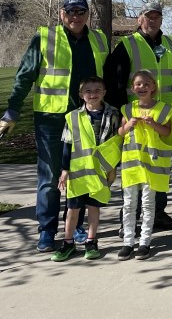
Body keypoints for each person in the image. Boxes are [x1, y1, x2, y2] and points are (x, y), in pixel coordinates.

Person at [0, 0, 110, 252]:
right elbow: (25, 75)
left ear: (87, 15)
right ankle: (47, 231)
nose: (75, 16)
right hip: (51, 118)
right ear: (61, 14)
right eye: (70, 12)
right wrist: (12, 110)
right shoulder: (45, 38)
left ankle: (75, 226)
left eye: (80, 11)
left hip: (85, 118)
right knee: (50, 178)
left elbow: (108, 77)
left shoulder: (99, 40)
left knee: (80, 174)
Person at [104, 2, 172, 232]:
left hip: (164, 118)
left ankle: (157, 213)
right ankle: (128, 219)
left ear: (161, 20)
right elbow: (115, 83)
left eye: (156, 17)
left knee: (160, 167)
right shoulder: (128, 45)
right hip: (136, 120)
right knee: (134, 169)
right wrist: (124, 114)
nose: (152, 21)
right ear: (140, 19)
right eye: (148, 17)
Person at [51, 76, 121, 262]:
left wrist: (112, 168)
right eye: (88, 91)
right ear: (81, 95)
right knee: (72, 210)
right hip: (78, 172)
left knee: (94, 208)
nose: (93, 94)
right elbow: (66, 145)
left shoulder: (113, 113)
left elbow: (115, 143)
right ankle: (68, 242)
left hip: (100, 171)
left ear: (104, 92)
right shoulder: (72, 117)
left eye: (97, 90)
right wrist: (64, 170)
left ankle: (91, 241)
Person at [117, 70, 172, 260]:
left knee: (148, 204)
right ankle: (128, 242)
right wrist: (127, 126)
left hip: (152, 165)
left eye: (146, 84)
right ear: (133, 88)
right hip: (131, 166)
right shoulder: (128, 109)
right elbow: (120, 132)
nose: (142, 87)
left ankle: (145, 242)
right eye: (138, 84)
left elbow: (167, 133)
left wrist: (153, 124)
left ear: (153, 88)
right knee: (129, 204)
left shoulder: (164, 109)